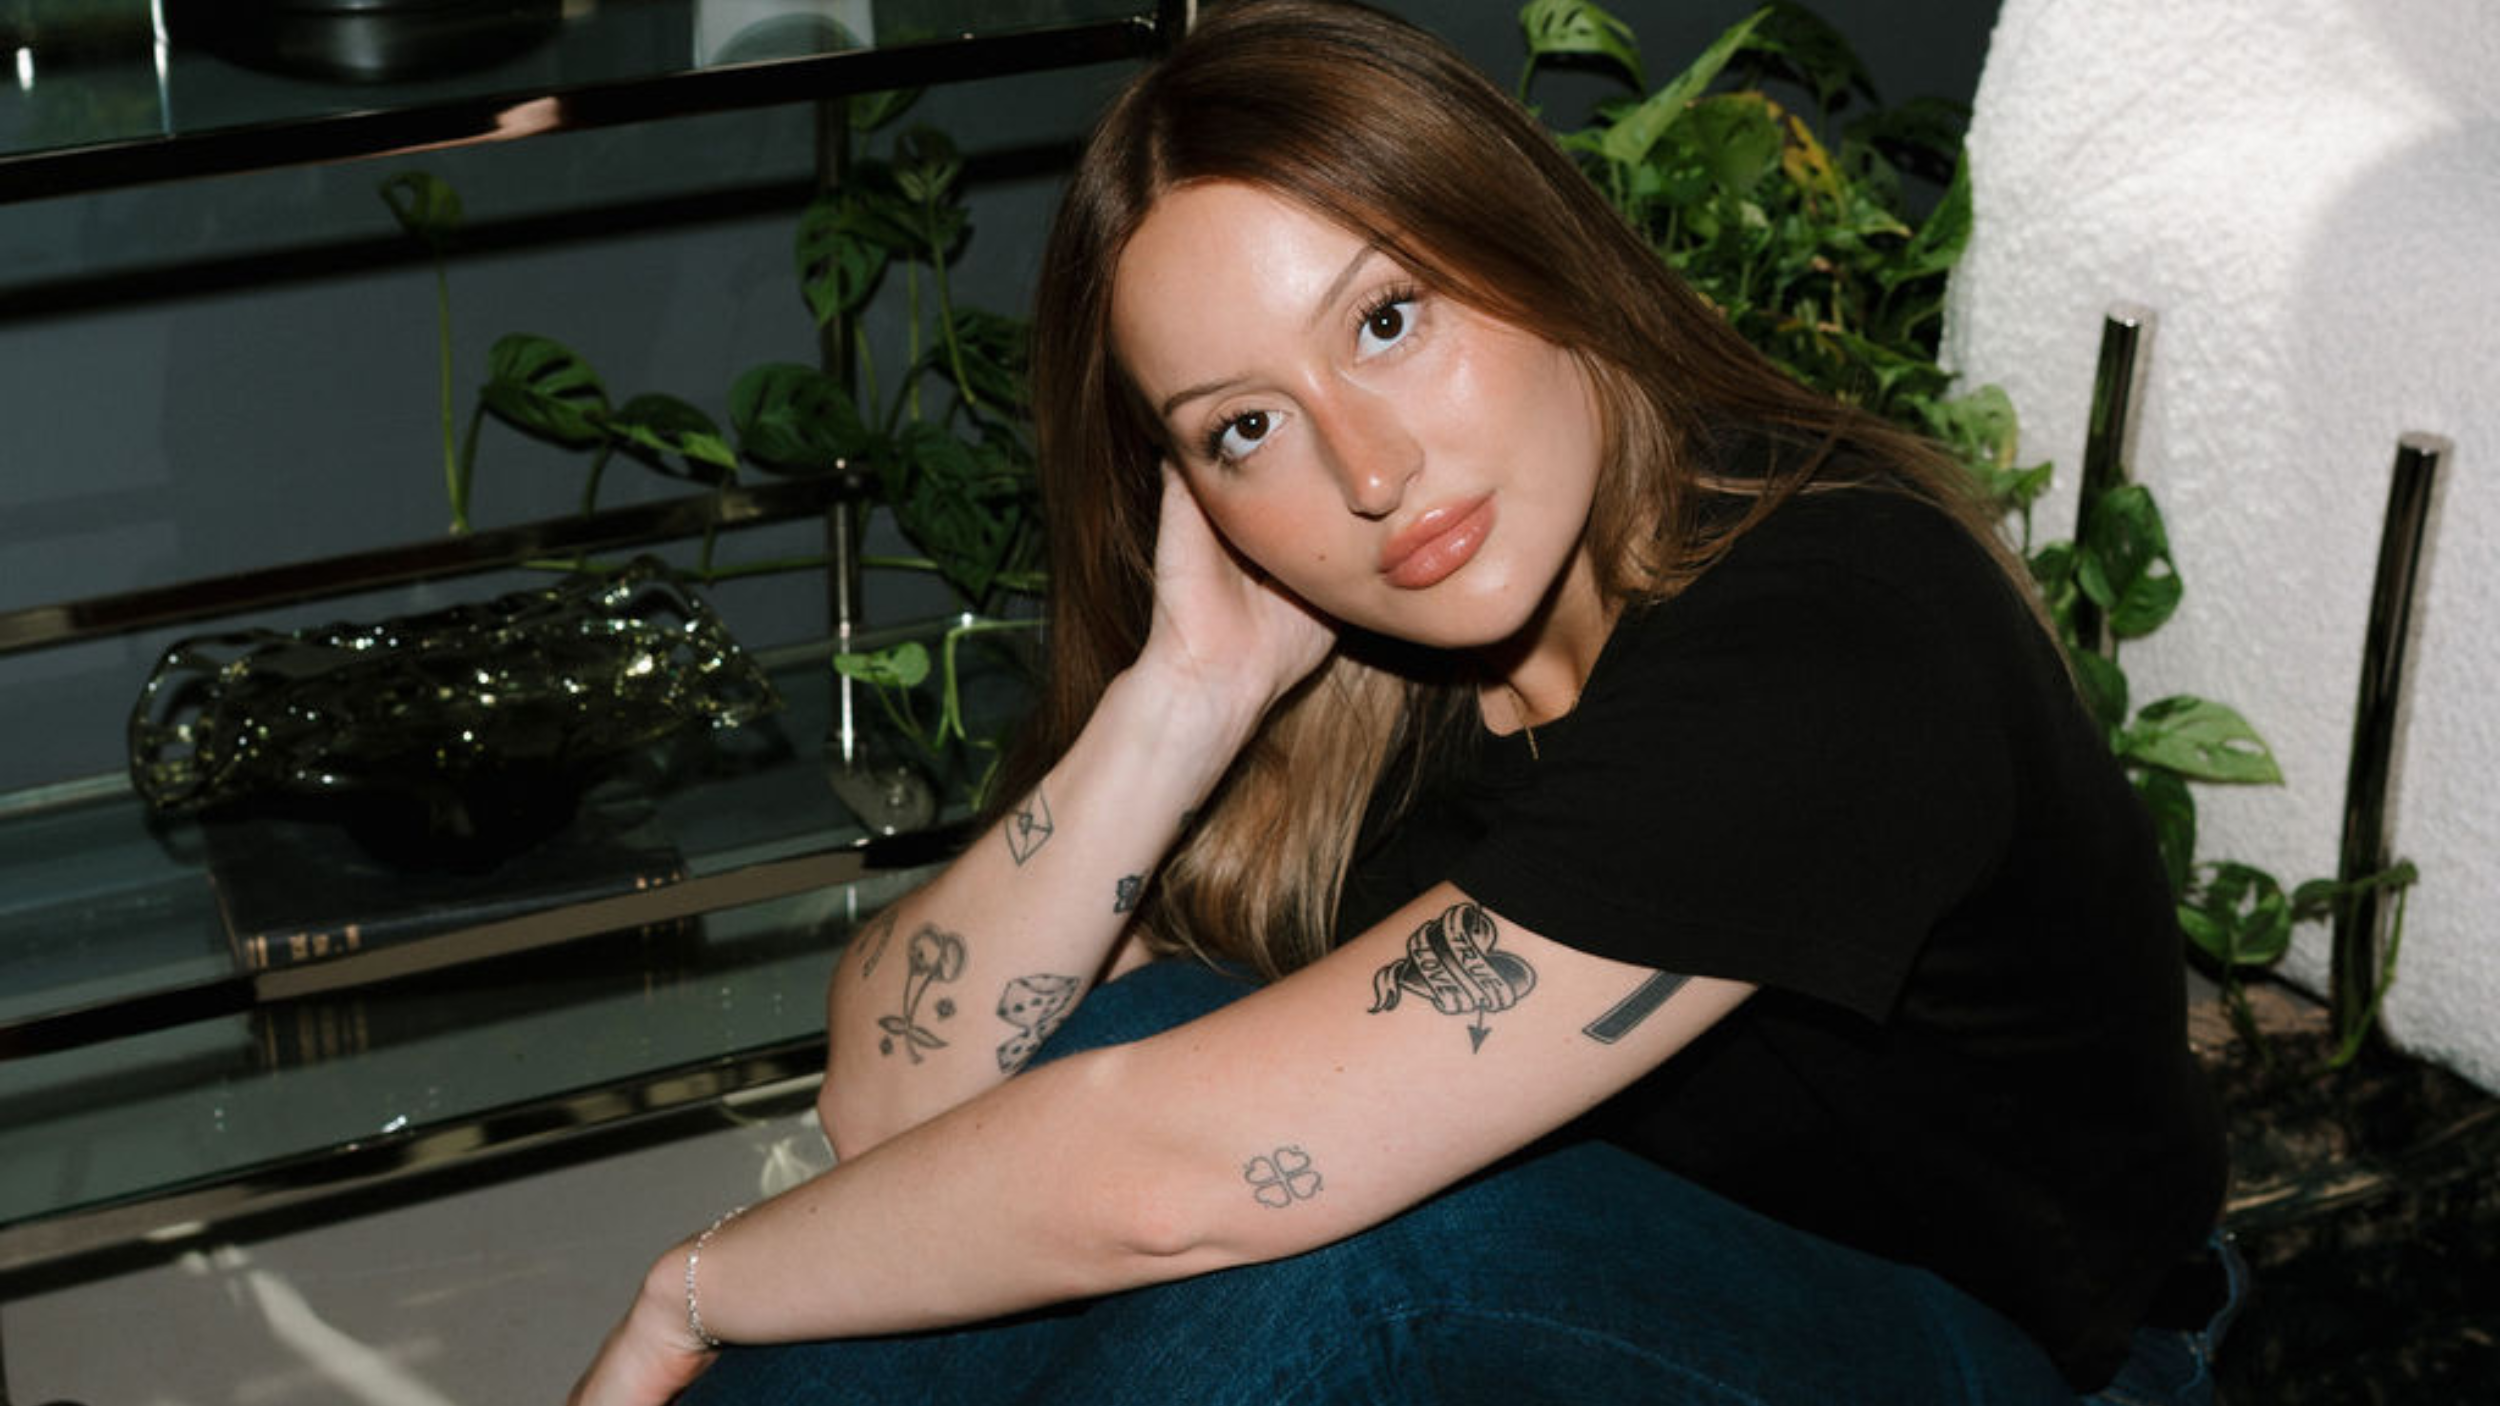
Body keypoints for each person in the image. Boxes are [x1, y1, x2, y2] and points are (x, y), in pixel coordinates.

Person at [570, 2, 2233, 1401]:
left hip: (2021, 1354)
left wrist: (695, 1290)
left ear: (1539, 253)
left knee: (1342, 1260)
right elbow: (892, 1108)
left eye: (1387, 318)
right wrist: (1186, 695)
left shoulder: (1842, 634)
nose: (1367, 472)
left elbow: (1181, 1181)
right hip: (1608, 1272)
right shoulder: (1366, 672)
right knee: (1147, 1059)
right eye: (1245, 427)